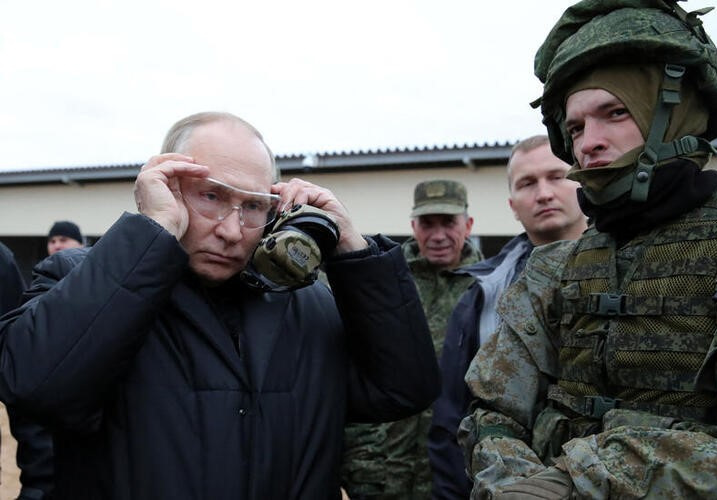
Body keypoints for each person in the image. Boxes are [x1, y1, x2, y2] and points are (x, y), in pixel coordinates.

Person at [0, 111, 440, 499]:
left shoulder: (309, 305)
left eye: (252, 205)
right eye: (211, 196)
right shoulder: (80, 278)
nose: (232, 230)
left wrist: (353, 251)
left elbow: (404, 389)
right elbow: (35, 387)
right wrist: (152, 235)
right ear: (165, 185)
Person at [459, 0, 717, 498]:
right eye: (577, 127)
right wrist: (513, 483)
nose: (589, 144)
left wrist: (576, 480)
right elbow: (493, 413)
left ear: (674, 112)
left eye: (615, 113)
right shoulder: (554, 267)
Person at [429, 135, 587, 499]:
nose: (544, 193)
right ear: (512, 205)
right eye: (528, 183)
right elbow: (452, 418)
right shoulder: (482, 294)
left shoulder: (637, 273)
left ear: (582, 181)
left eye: (556, 176)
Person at [342, 179, 483, 499]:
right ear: (413, 226)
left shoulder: (489, 287)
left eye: (448, 223)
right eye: (427, 224)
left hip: (454, 473)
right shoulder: (384, 282)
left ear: (468, 224)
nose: (437, 236)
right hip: (383, 469)